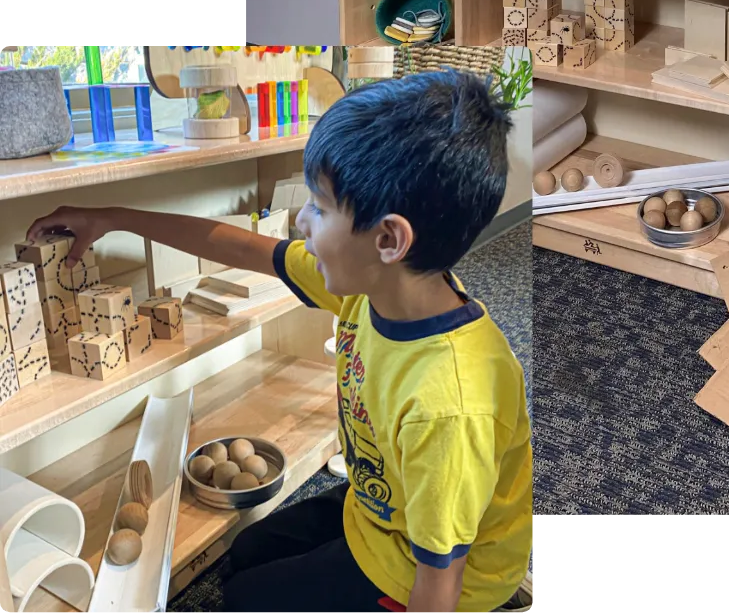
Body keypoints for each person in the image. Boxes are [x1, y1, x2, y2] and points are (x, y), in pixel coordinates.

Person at [28, 69, 534, 613]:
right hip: (383, 509)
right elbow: (242, 248)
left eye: (320, 204)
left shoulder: (449, 406)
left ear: (388, 238)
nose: (300, 218)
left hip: (435, 573)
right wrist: (112, 217)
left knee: (243, 601)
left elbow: (441, 581)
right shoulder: (377, 286)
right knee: (246, 554)